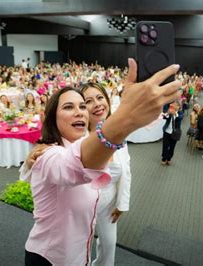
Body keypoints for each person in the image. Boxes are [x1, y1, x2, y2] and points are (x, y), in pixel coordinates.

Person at [20, 60, 181, 265]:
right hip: (50, 258)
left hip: (80, 255)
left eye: (81, 106)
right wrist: (127, 117)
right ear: (52, 119)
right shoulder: (48, 156)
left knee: (109, 244)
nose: (80, 111)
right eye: (69, 107)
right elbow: (73, 165)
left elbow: (122, 170)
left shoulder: (84, 144)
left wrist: (121, 202)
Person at [79, 82, 132, 266]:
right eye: (88, 101)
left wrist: (122, 203)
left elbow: (126, 170)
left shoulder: (118, 133)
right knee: (80, 246)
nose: (97, 104)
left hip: (109, 200)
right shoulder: (78, 137)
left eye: (100, 97)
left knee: (109, 245)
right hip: (83, 203)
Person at [161, 100, 183, 165]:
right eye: (173, 104)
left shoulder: (180, 113)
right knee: (165, 145)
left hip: (175, 132)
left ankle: (169, 158)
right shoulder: (169, 110)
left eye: (175, 105)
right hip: (167, 131)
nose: (174, 105)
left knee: (172, 146)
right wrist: (168, 113)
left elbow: (180, 118)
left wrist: (175, 113)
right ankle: (164, 158)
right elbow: (164, 117)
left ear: (179, 106)